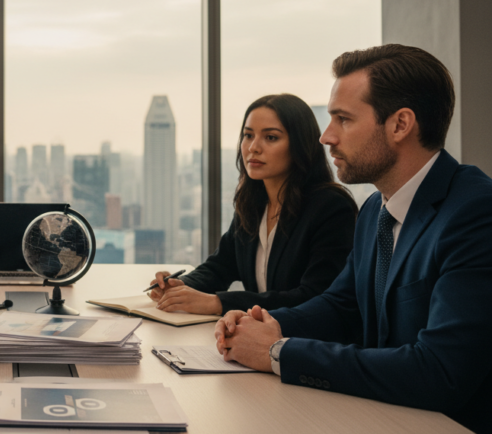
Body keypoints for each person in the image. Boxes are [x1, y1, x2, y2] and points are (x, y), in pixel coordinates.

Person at [214, 44, 492, 433]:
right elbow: (342, 306)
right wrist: (260, 322)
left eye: (343, 119)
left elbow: (440, 372)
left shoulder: (475, 212)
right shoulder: (376, 211)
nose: (326, 137)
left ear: (400, 125)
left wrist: (278, 352)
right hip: (379, 416)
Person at [149, 94, 357, 315]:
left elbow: (314, 296)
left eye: (271, 138)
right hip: (257, 338)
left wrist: (219, 303)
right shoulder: (253, 203)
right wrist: (181, 285)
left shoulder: (331, 208)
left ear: (300, 144)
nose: (253, 148)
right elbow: (220, 267)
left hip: (304, 343)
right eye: (248, 135)